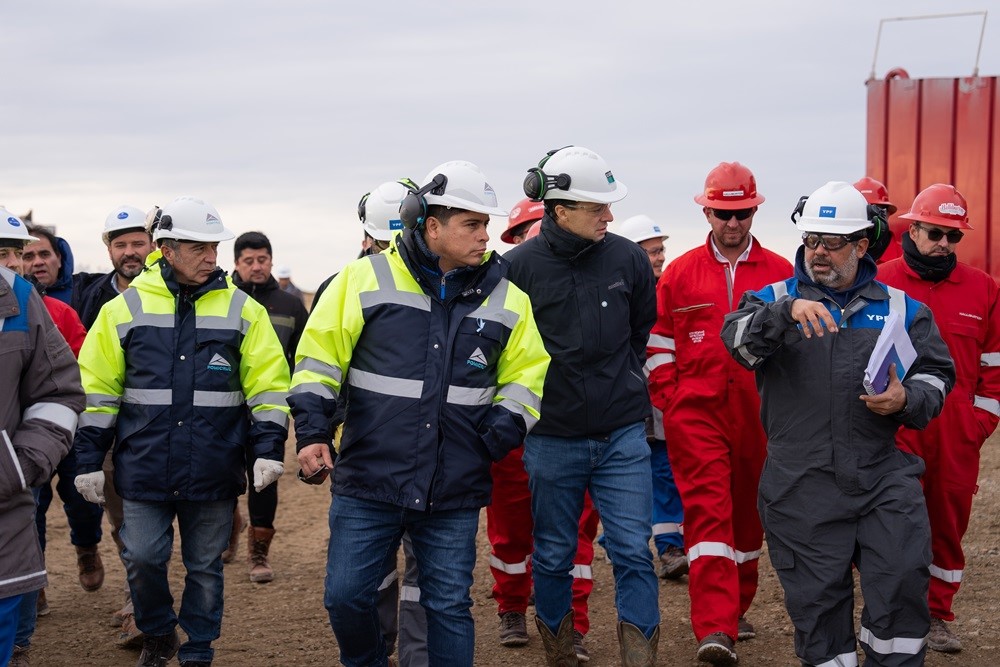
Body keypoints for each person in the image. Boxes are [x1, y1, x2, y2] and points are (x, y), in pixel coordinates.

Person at [290, 161, 549, 667]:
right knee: (346, 597)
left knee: (449, 605)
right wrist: (312, 432)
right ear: (432, 226)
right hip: (369, 477)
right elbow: (318, 362)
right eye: (472, 224)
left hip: (454, 484)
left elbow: (528, 375)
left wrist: (493, 437)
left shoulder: (508, 297)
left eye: (486, 225)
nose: (485, 236)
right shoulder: (361, 280)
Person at [720, 180, 955, 667]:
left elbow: (937, 375)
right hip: (800, 485)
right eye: (810, 241)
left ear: (862, 245)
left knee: (901, 587)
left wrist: (906, 398)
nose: (818, 253)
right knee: (819, 610)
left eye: (832, 242)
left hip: (882, 476)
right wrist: (784, 314)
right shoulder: (772, 298)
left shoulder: (899, 307)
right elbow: (737, 344)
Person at [72, 196, 291, 667]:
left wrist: (269, 448)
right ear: (167, 249)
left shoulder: (243, 310)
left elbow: (269, 387)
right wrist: (87, 460)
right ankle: (156, 633)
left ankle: (198, 649)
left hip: (213, 464)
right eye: (199, 247)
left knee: (205, 569)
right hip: (143, 465)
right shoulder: (122, 309)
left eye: (214, 247)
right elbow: (97, 391)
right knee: (143, 556)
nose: (211, 257)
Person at [504, 146, 660, 666]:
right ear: (559, 209)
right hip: (550, 438)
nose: (610, 217)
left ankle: (639, 658)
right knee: (552, 556)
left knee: (635, 552)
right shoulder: (516, 269)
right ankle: (560, 656)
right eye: (599, 207)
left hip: (622, 436)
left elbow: (639, 332)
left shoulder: (629, 258)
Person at [646, 162, 792, 665]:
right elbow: (659, 340)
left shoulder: (781, 274)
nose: (733, 224)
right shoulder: (681, 273)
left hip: (761, 415)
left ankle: (737, 607)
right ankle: (715, 628)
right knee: (708, 514)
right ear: (706, 211)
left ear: (754, 211)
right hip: (696, 415)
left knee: (750, 521)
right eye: (723, 214)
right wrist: (671, 397)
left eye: (743, 213)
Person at [877, 183, 1000, 653]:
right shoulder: (881, 279)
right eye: (935, 233)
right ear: (913, 229)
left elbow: (994, 366)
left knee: (948, 524)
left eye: (953, 236)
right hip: (893, 427)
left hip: (955, 434)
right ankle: (892, 608)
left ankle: (937, 614)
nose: (944, 244)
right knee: (894, 522)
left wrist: (977, 425)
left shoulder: (984, 289)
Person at [489, 197, 600, 661]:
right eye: (522, 232)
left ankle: (572, 624)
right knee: (511, 525)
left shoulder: (585, 279)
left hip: (576, 424)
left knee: (575, 529)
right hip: (517, 427)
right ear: (513, 242)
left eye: (539, 228)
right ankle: (513, 606)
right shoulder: (496, 288)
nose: (532, 238)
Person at [0, 208, 85, 667]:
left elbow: (60, 390)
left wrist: (20, 466)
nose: (10, 263)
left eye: (9, 252)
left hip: (7, 493)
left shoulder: (24, 303)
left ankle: (23, 640)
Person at [21, 226, 106, 605]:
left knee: (81, 496)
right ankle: (33, 578)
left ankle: (87, 549)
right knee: (30, 503)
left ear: (60, 258)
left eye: (44, 255)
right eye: (28, 256)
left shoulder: (65, 309)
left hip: (69, 423)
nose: (37, 262)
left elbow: (85, 364)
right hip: (21, 428)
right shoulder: (14, 310)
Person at [229, 231, 309, 583]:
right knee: (219, 475)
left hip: (271, 408)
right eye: (249, 261)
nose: (257, 266)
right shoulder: (222, 300)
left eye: (262, 260)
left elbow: (305, 356)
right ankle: (229, 527)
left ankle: (259, 553)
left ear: (272, 261)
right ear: (236, 263)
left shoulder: (291, 306)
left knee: (265, 478)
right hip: (224, 409)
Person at [613, 214, 687, 580]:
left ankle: (670, 545)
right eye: (652, 252)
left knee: (664, 469)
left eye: (661, 251)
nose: (659, 257)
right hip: (630, 398)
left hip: (661, 397)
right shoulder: (619, 289)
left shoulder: (669, 287)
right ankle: (653, 545)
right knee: (640, 475)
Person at [853, 177, 897, 264]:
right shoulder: (835, 255)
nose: (869, 219)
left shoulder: (904, 257)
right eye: (863, 212)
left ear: (887, 213)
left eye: (875, 211)